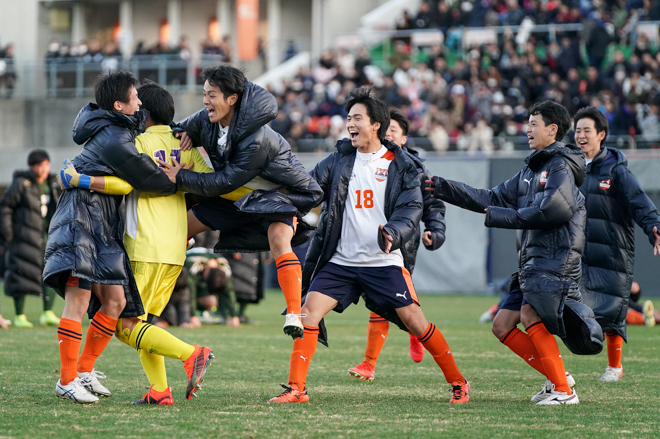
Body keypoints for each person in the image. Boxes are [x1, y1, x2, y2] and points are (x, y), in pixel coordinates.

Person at [269, 87, 470, 404]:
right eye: (348, 117)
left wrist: (393, 232)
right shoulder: (338, 160)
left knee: (416, 322)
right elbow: (306, 187)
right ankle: (296, 389)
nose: (349, 123)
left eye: (356, 117)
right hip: (341, 263)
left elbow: (411, 209)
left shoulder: (401, 165)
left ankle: (459, 382)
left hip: (384, 262)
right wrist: (277, 202)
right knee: (308, 313)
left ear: (375, 124)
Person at [428, 100, 603, 405]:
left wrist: (500, 217)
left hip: (555, 261)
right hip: (533, 262)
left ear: (553, 129)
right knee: (502, 324)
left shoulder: (560, 165)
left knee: (529, 313)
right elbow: (491, 197)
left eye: (533, 124)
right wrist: (442, 187)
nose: (527, 129)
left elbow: (552, 211)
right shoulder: (530, 168)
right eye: (527, 124)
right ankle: (557, 376)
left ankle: (563, 390)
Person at [62, 81, 217, 405]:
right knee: (144, 323)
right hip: (175, 248)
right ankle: (159, 391)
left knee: (124, 325)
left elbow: (123, 182)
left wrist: (82, 179)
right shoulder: (184, 144)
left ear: (142, 111)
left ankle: (193, 354)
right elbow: (210, 183)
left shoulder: (137, 142)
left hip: (144, 242)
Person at [159, 65, 323, 340]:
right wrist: (184, 131)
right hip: (236, 198)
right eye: (204, 94)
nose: (205, 101)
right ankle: (154, 303)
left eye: (212, 94)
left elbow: (224, 182)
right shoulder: (206, 120)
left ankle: (295, 314)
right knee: (177, 231)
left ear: (232, 98)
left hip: (273, 197)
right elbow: (179, 127)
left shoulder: (257, 138)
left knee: (280, 240)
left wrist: (180, 176)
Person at [45, 71, 178, 404]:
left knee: (116, 302)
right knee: (77, 299)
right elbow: (152, 182)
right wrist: (183, 177)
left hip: (102, 221)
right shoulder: (115, 138)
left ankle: (84, 370)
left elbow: (125, 185)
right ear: (119, 105)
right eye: (135, 97)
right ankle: (66, 379)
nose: (140, 101)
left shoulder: (119, 129)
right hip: (81, 217)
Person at [347, 109, 447, 381]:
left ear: (404, 138)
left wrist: (434, 232)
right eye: (385, 129)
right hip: (366, 247)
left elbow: (433, 204)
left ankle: (416, 334)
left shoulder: (413, 167)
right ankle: (369, 363)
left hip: (402, 247)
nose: (388, 134)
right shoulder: (361, 160)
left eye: (394, 131)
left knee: (399, 304)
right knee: (379, 302)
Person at [573, 106, 660, 382]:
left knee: (613, 307)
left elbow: (640, 203)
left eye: (587, 130)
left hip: (612, 249)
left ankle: (614, 366)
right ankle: (557, 370)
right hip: (578, 250)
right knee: (567, 303)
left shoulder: (617, 170)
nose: (581, 135)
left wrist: (654, 227)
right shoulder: (569, 167)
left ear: (601, 134)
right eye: (577, 131)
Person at [0, 149, 61, 328]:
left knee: (53, 272)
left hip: (47, 237)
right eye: (38, 166)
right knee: (20, 274)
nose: (42, 169)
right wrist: (9, 233)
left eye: (45, 165)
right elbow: (5, 207)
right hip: (24, 238)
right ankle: (20, 315)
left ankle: (47, 312)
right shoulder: (21, 183)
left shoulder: (53, 182)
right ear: (31, 167)